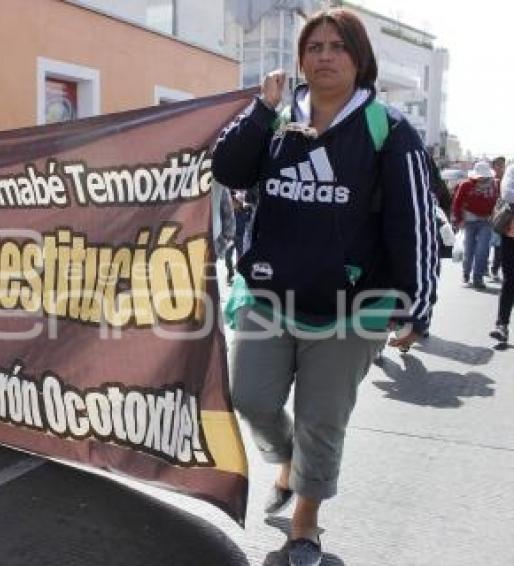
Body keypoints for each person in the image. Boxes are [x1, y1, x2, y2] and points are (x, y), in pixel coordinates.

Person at [211, 8, 437, 565]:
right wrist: (261, 108)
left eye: (338, 46)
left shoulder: (389, 129)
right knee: (251, 398)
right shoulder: (277, 118)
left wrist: (417, 306)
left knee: (322, 420)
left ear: (359, 59)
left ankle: (305, 526)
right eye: (314, 47)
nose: (325, 56)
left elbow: (413, 221)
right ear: (301, 60)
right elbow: (229, 170)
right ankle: (288, 462)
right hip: (268, 296)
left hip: (350, 310)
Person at [452, 160, 498, 289]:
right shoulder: (466, 185)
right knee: (469, 249)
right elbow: (457, 202)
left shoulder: (494, 185)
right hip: (469, 221)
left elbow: (497, 201)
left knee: (482, 250)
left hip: (487, 221)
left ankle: (478, 278)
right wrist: (458, 220)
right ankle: (466, 273)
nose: (483, 179)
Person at [490, 163, 514, 344]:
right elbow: (507, 193)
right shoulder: (512, 168)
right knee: (510, 280)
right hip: (512, 234)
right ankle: (502, 325)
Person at [489, 156, 506, 280]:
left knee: (499, 246)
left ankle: (495, 269)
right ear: (493, 166)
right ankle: (485, 268)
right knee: (487, 245)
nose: (501, 167)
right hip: (489, 216)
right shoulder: (490, 180)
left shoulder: (508, 180)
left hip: (503, 217)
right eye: (498, 165)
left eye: (502, 165)